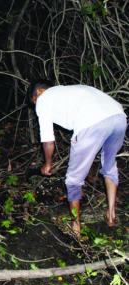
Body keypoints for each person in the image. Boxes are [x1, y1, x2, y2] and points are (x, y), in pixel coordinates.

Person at [28, 81, 127, 237]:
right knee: (109, 166)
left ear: (39, 91)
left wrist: (48, 164)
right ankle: (111, 215)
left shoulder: (43, 99)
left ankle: (75, 226)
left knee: (73, 180)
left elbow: (47, 139)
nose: (35, 106)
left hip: (91, 124)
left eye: (34, 100)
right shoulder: (71, 90)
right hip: (119, 117)